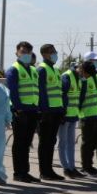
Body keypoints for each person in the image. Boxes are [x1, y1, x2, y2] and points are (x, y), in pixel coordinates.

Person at [5, 41, 41, 183]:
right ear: (17, 53)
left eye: (28, 52)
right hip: (20, 111)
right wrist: (18, 108)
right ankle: (18, 172)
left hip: (32, 110)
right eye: (23, 52)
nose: (26, 55)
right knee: (19, 143)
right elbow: (12, 92)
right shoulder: (13, 70)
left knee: (27, 142)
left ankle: (25, 171)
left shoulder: (32, 70)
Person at [35, 43, 65, 181]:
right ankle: (44, 171)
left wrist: (61, 109)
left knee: (51, 142)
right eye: (52, 52)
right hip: (47, 113)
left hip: (56, 111)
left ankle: (49, 169)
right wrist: (44, 111)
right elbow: (41, 92)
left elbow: (58, 92)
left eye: (55, 51)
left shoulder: (55, 70)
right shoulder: (42, 69)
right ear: (45, 54)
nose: (55, 54)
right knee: (45, 142)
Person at [77, 58, 97, 176]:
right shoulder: (85, 82)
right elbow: (80, 99)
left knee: (93, 142)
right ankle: (86, 166)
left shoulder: (96, 81)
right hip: (87, 116)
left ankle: (89, 165)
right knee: (87, 142)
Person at [58, 59, 84, 178]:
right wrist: (62, 113)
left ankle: (72, 167)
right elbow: (62, 94)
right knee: (63, 143)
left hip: (73, 115)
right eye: (82, 70)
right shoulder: (67, 76)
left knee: (71, 143)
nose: (83, 74)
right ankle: (66, 168)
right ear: (78, 68)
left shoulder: (78, 78)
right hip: (65, 115)